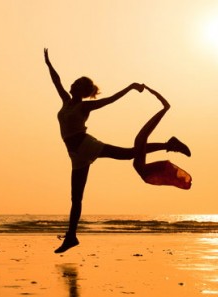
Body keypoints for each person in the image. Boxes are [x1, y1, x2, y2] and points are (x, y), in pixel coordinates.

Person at [44, 48, 191, 253]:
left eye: (76, 83)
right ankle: (71, 237)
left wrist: (130, 87)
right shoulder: (66, 102)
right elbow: (56, 81)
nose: (72, 84)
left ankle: (168, 145)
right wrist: (49, 64)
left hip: (86, 145)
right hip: (75, 156)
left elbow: (111, 99)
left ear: (81, 90)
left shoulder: (84, 107)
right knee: (76, 198)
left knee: (130, 153)